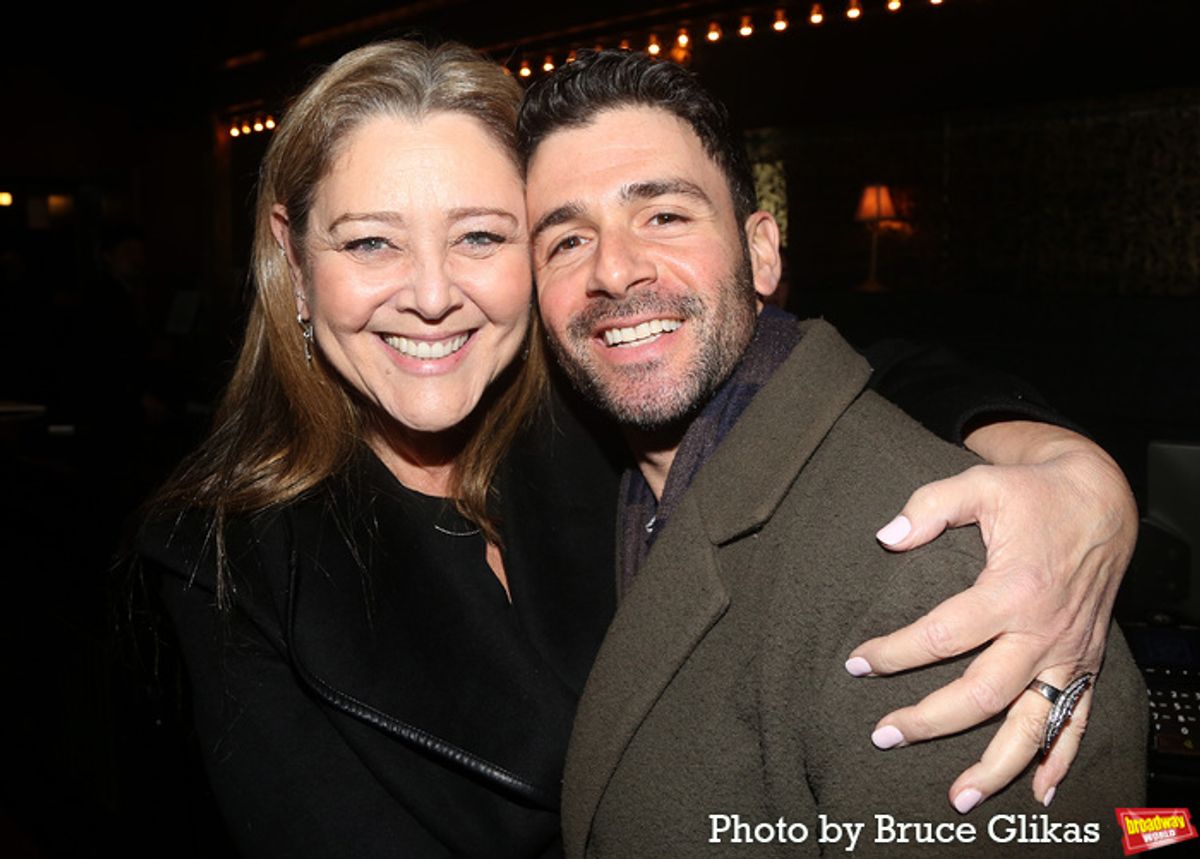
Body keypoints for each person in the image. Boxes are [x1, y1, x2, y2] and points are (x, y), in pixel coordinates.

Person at [139, 39, 1137, 859]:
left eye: (482, 237)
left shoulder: (587, 439)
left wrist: (1064, 466)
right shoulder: (223, 565)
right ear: (295, 264)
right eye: (369, 243)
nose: (434, 292)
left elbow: (796, 367)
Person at [517, 50, 1145, 857]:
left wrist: (1080, 472)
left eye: (665, 215)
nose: (613, 268)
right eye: (566, 240)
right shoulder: (591, 482)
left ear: (764, 254)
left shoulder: (945, 573)